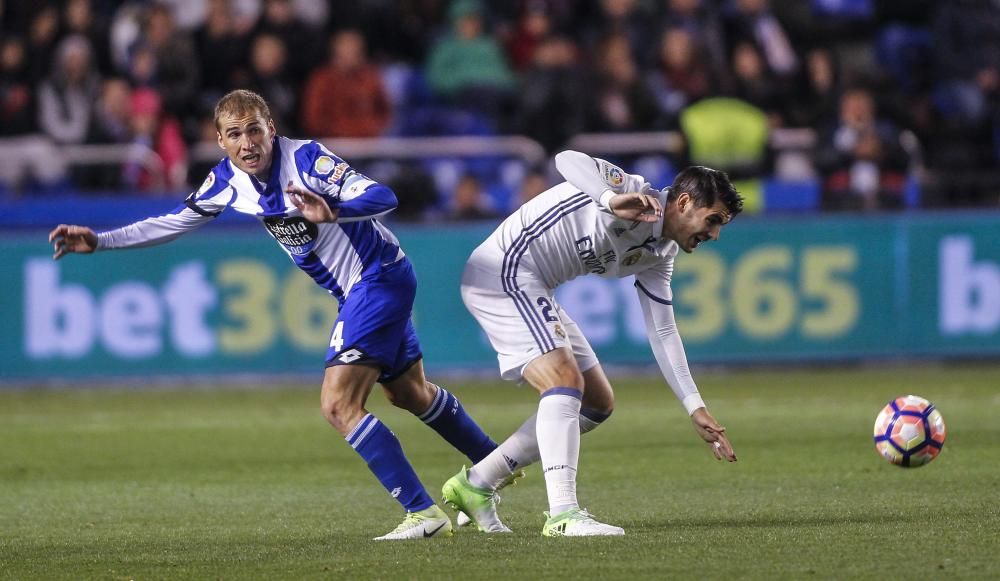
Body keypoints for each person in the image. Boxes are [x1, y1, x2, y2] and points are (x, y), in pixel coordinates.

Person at [47, 89, 501, 541]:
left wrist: (334, 210)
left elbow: (384, 196)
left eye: (254, 130)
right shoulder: (225, 180)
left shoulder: (308, 160)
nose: (248, 143)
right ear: (220, 141)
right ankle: (496, 469)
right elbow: (172, 222)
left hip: (376, 277)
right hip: (362, 288)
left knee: (338, 405)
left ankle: (421, 512)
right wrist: (102, 240)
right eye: (234, 135)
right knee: (410, 394)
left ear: (272, 130)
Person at [441, 150, 741, 536]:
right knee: (564, 381)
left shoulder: (660, 253)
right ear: (683, 203)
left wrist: (694, 406)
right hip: (503, 272)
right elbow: (567, 158)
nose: (714, 234)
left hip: (534, 286)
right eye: (713, 220)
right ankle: (563, 514)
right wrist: (609, 199)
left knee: (597, 402)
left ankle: (477, 483)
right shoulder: (631, 191)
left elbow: (663, 331)